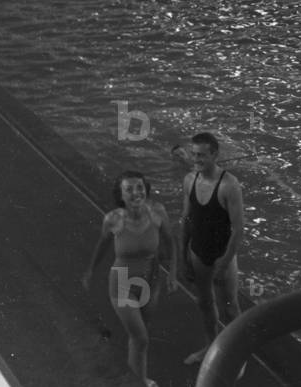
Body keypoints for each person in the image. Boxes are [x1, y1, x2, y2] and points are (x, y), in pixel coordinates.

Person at [83, 171, 178, 387]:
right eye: (129, 189)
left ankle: (140, 379)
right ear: (121, 196)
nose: (136, 193)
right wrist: (91, 270)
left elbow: (171, 242)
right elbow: (103, 244)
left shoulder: (157, 212)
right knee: (140, 337)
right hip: (123, 282)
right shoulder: (113, 219)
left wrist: (172, 273)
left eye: (140, 187)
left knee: (140, 336)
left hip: (151, 281)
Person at [177, 132, 245, 367]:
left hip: (222, 257)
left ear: (215, 155)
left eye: (202, 155)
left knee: (230, 308)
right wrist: (183, 257)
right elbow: (186, 219)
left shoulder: (229, 185)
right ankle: (211, 346)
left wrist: (224, 262)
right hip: (197, 253)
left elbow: (238, 230)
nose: (196, 159)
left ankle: (238, 353)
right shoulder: (189, 180)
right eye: (194, 155)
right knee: (204, 303)